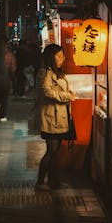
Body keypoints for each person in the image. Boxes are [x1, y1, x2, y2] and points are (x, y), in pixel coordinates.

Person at [34, 44, 76, 191]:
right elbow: (47, 92)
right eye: (58, 56)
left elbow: (57, 89)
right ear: (50, 57)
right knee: (51, 150)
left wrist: (68, 92)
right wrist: (67, 96)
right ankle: (40, 182)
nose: (62, 58)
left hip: (59, 116)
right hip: (51, 117)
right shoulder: (44, 72)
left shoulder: (56, 72)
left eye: (62, 55)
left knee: (55, 150)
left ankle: (52, 181)